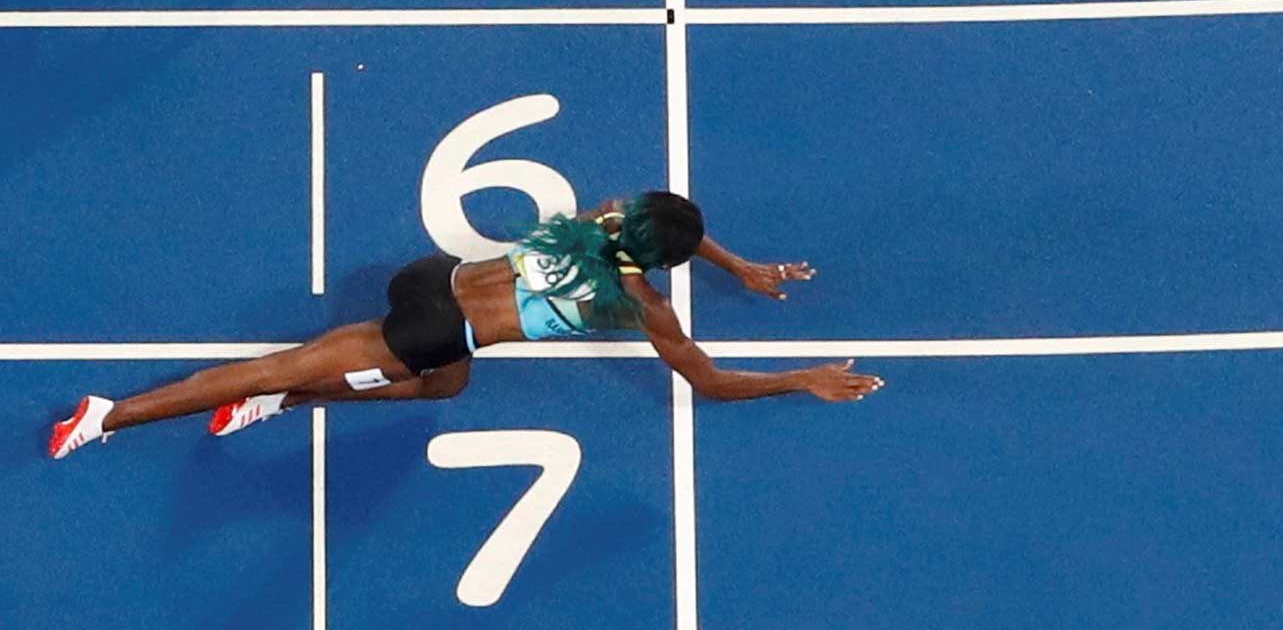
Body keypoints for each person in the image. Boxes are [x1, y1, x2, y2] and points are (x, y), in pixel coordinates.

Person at [49, 191, 881, 458]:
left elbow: (662, 228)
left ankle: (290, 403)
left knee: (443, 390)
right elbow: (709, 383)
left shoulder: (602, 219)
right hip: (432, 328)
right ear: (663, 264)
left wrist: (736, 265)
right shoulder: (639, 305)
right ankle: (106, 415)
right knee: (279, 364)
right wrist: (800, 378)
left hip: (430, 275)